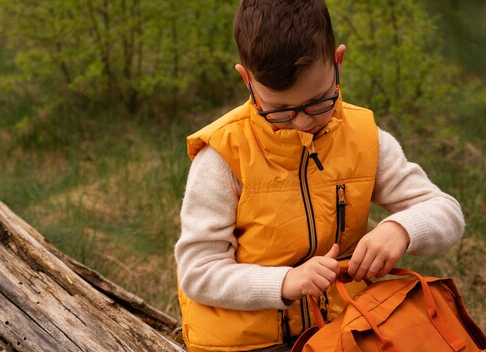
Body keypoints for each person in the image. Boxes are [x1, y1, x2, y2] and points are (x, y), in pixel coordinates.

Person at [174, 1, 465, 351]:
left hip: (341, 326)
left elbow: (446, 212)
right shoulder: (222, 155)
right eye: (280, 110)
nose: (303, 121)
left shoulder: (363, 137)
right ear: (247, 79)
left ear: (337, 61)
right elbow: (198, 271)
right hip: (244, 343)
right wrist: (285, 281)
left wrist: (400, 230)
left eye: (318, 102)